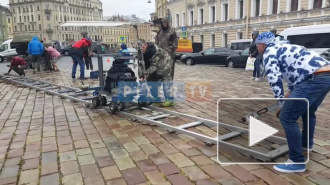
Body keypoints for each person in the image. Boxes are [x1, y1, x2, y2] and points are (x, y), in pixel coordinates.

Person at [255, 32, 330, 173]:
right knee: (308, 111)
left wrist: (281, 104)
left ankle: (296, 161)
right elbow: (293, 72)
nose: (258, 49)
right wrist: (290, 92)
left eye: (257, 46)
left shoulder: (269, 52)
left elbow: (274, 79)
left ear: (262, 44)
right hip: (326, 75)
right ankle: (306, 145)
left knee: (287, 117)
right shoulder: (286, 46)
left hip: (313, 79)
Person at [140, 40, 174, 107]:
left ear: (146, 45)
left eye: (143, 48)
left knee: (166, 81)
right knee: (151, 80)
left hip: (165, 63)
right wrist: (141, 76)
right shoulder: (141, 53)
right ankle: (156, 97)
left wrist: (145, 74)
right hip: (155, 66)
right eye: (140, 48)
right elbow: (142, 65)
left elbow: (154, 66)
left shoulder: (154, 51)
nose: (142, 50)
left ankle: (170, 100)